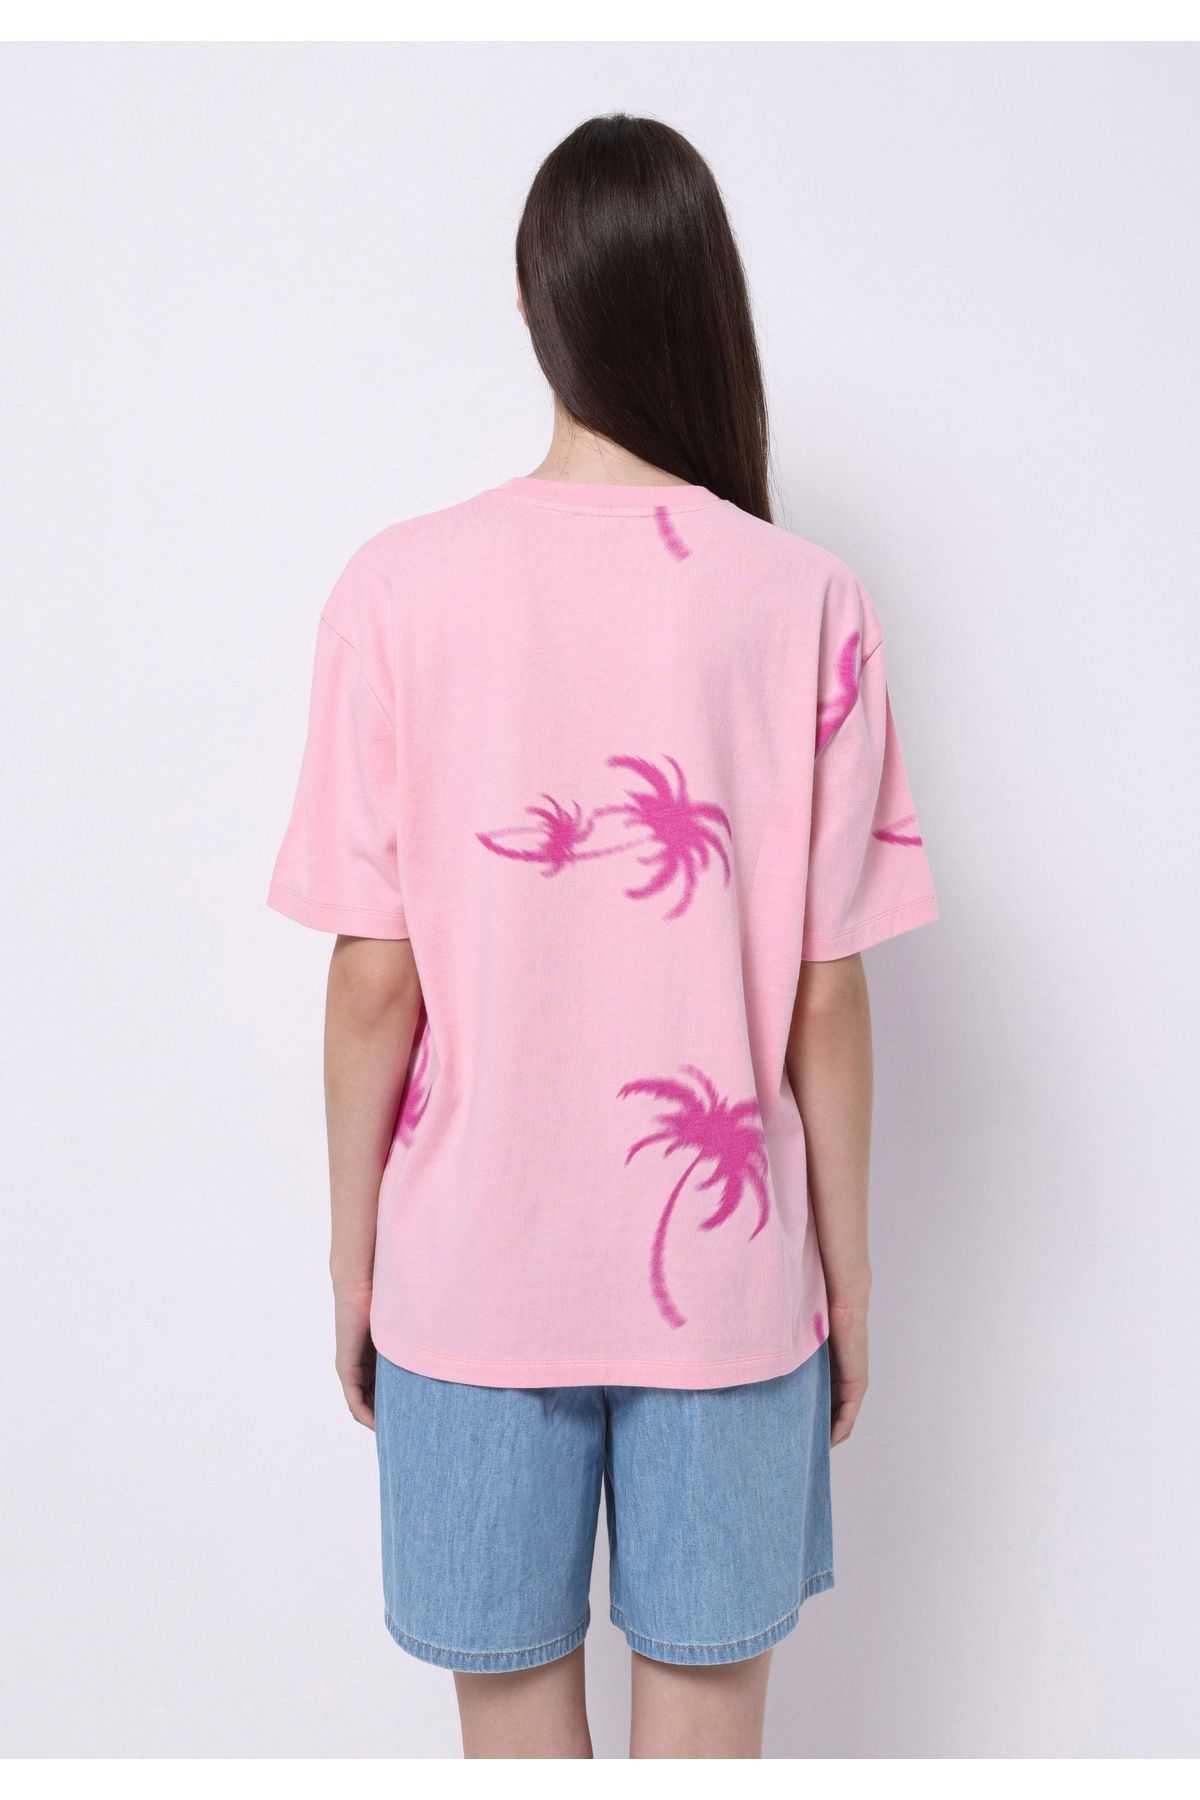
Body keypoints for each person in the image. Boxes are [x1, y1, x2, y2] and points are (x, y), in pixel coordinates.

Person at [268, 113, 937, 1760]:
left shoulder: (395, 591)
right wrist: (847, 1273)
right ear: (705, 302)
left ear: (533, 305)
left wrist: (355, 1255)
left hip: (466, 1279)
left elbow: (372, 983)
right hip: (728, 1293)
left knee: (513, 1751)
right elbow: (827, 1000)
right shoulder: (807, 601)